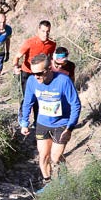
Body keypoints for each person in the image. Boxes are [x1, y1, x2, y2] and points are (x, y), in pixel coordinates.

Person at [18, 53, 80, 190]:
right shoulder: (32, 81)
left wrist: (70, 128)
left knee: (56, 157)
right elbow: (28, 102)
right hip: (42, 123)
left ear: (49, 69)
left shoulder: (63, 81)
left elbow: (75, 104)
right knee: (43, 156)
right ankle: (48, 185)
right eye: (34, 73)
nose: (36, 77)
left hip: (61, 124)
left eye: (40, 73)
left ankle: (64, 175)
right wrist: (24, 122)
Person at [14, 19, 56, 100]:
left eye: (48, 31)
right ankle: (23, 112)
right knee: (27, 97)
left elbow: (50, 58)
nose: (45, 34)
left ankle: (37, 113)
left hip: (41, 73)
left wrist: (53, 68)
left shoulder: (52, 44)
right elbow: (17, 56)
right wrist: (15, 66)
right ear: (38, 30)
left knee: (39, 97)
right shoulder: (30, 42)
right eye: (43, 31)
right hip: (27, 73)